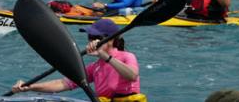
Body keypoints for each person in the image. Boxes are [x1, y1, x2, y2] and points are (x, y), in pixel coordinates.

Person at [12, 19, 145, 101]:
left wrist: (105, 56)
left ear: (110, 39)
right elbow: (63, 84)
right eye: (90, 37)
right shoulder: (95, 67)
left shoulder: (127, 56)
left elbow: (132, 76)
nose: (91, 40)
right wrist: (30, 87)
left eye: (95, 36)